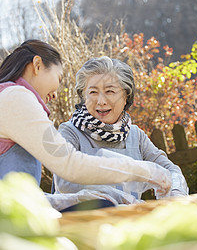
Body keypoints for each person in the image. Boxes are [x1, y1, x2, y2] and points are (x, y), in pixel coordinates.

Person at [0, 40, 173, 211]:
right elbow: (70, 164)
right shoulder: (15, 97)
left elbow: (18, 198)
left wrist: (77, 199)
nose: (55, 94)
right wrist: (146, 171)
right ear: (37, 65)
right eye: (59, 77)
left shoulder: (9, 97)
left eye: (110, 91)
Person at [53, 56, 188, 206]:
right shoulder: (70, 132)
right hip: (80, 223)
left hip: (127, 223)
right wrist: (118, 199)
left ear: (126, 97)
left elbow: (170, 170)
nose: (101, 101)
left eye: (110, 91)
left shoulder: (136, 136)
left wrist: (176, 194)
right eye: (93, 92)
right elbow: (65, 183)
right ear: (83, 96)